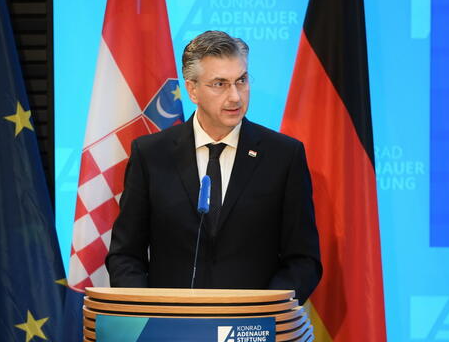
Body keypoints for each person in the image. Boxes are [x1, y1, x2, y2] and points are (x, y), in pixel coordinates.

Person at [105, 30, 322, 304]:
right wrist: (146, 314)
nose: (235, 97)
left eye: (241, 81)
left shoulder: (283, 155)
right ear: (192, 90)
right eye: (220, 84)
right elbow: (125, 255)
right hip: (170, 325)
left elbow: (303, 260)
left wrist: (267, 310)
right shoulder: (151, 154)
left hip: (253, 325)